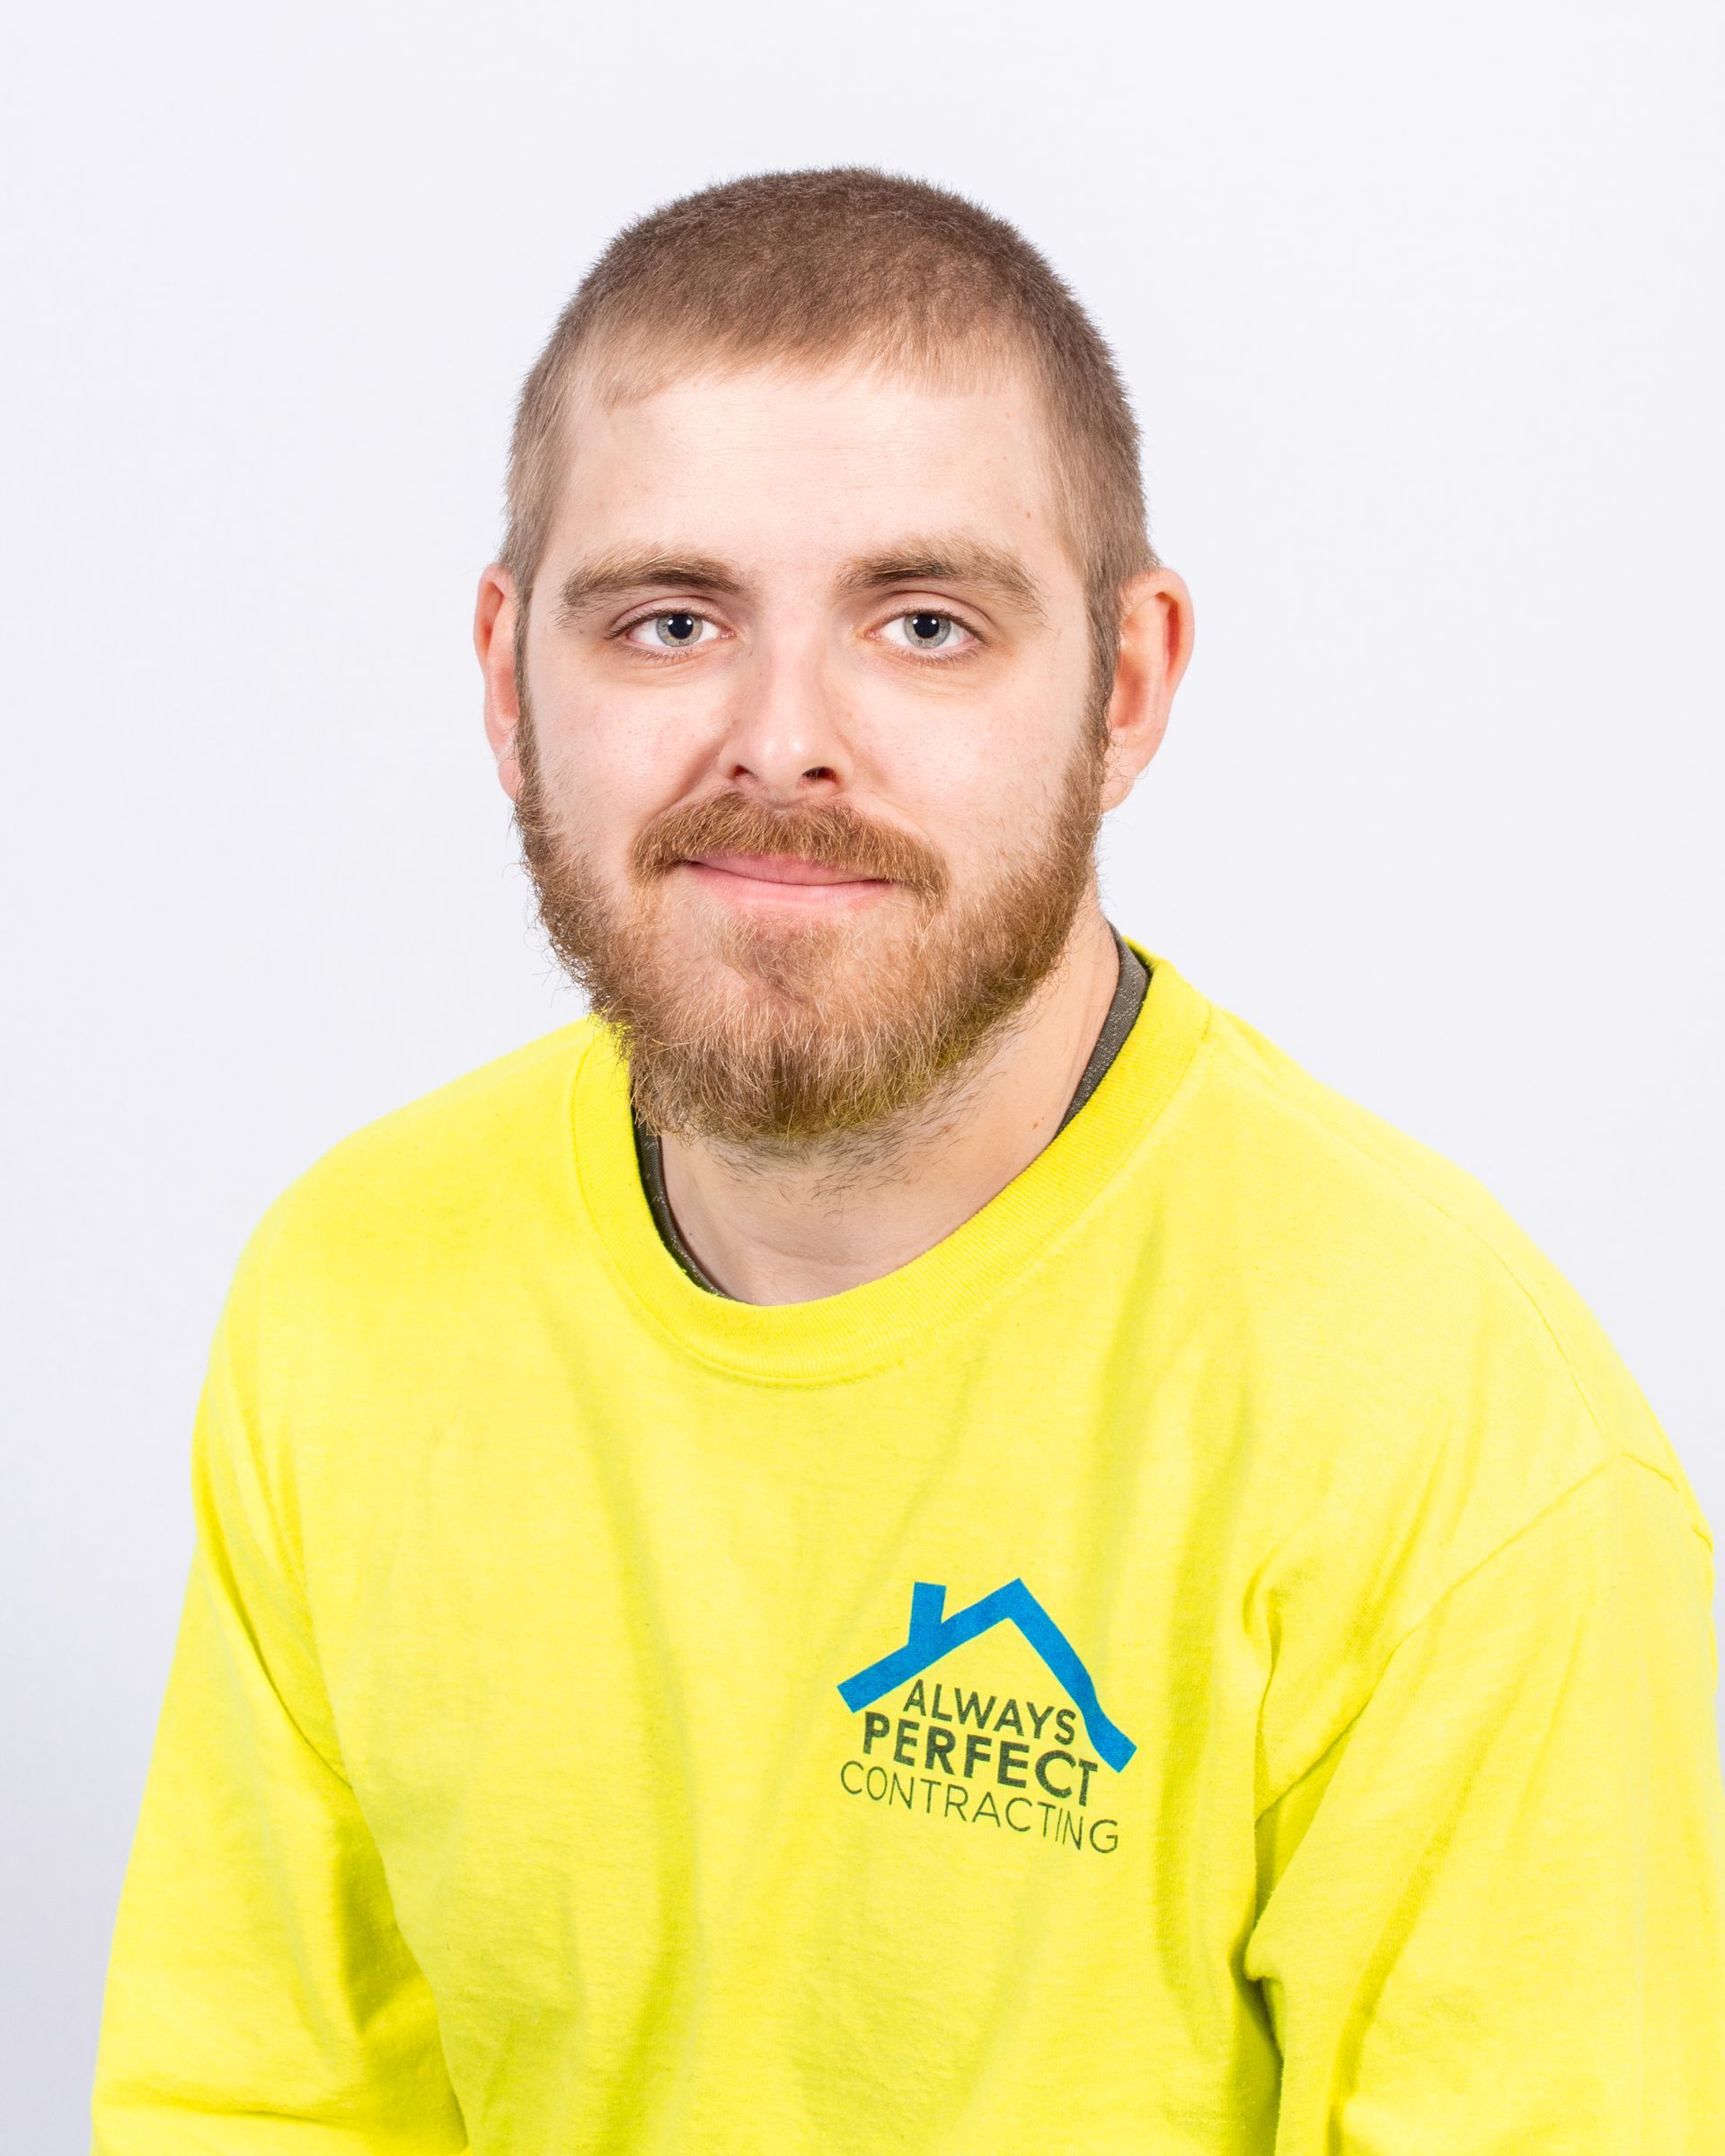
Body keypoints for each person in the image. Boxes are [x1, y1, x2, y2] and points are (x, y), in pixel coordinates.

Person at [89, 166, 1725, 2152]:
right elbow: (255, 2108)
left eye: (925, 622)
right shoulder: (348, 1291)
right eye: (671, 618)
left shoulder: (1460, 1446)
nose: (782, 743)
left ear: (1123, 689)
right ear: (511, 675)